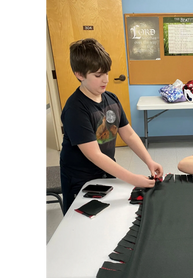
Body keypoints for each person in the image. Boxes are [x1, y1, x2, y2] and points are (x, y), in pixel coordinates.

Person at [60, 38, 163, 214]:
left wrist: (149, 160)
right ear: (79, 74)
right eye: (98, 75)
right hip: (80, 179)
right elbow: (95, 155)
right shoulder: (75, 109)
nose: (105, 80)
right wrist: (132, 179)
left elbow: (129, 135)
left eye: (106, 73)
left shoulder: (111, 98)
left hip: (106, 173)